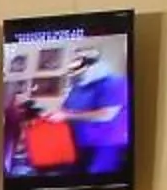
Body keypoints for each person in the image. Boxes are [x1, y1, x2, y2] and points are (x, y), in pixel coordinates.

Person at [53, 46, 131, 176]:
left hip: (105, 146)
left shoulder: (114, 82)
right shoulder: (78, 86)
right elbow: (65, 109)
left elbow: (106, 114)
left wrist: (67, 115)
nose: (76, 76)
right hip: (78, 143)